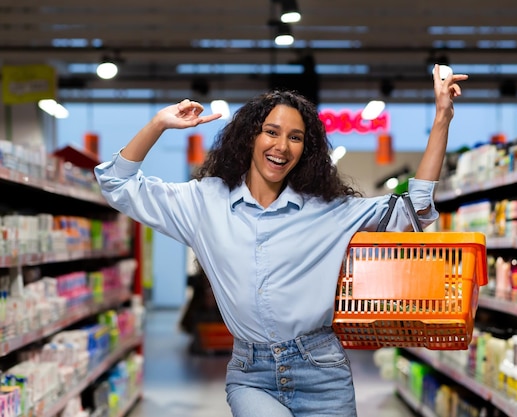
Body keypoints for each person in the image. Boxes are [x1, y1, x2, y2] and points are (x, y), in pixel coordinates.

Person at [94, 64, 468, 417]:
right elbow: (117, 183)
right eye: (271, 132)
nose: (282, 146)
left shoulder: (328, 210)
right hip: (251, 375)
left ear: (307, 149)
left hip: (322, 372)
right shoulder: (204, 202)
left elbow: (412, 209)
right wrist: (159, 123)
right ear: (249, 136)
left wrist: (441, 119)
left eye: (295, 137)